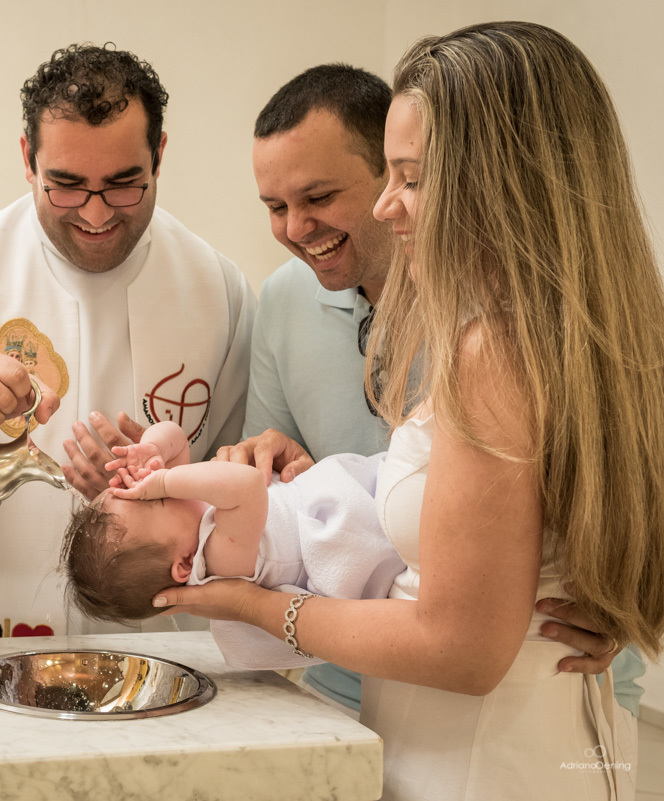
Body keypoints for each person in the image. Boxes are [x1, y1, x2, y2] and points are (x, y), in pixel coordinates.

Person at [160, 22, 664, 799]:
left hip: (480, 756)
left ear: (504, 179)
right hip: (504, 734)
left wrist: (258, 607)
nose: (391, 205)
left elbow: (459, 645)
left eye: (412, 177)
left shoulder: (490, 350)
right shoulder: (561, 327)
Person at [232, 62, 643, 718]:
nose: (294, 228)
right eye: (276, 207)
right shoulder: (283, 300)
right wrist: (285, 471)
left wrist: (631, 598)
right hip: (351, 689)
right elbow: (299, 507)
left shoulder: (502, 335)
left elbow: (615, 493)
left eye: (319, 197)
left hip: (535, 695)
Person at [0, 43, 254, 657]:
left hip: (158, 636)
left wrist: (159, 483)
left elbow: (238, 461)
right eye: (65, 186)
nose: (95, 214)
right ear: (26, 158)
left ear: (160, 154)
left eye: (124, 185)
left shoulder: (215, 285)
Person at [63, 421, 400, 669]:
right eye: (156, 500)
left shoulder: (190, 511)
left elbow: (177, 441)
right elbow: (248, 485)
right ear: (184, 564)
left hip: (370, 488)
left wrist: (151, 449)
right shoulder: (216, 562)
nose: (150, 486)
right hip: (374, 526)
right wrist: (163, 480)